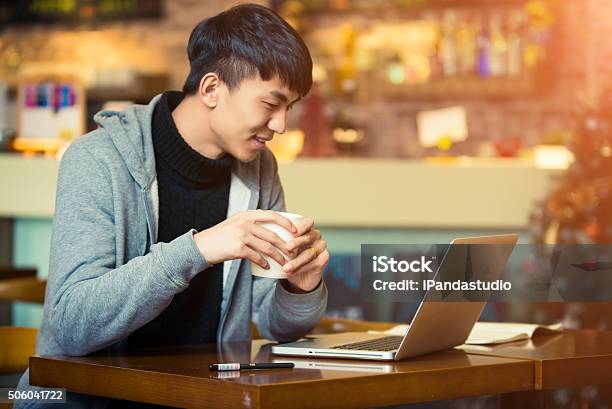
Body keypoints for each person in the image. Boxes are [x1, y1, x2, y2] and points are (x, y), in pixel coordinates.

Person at [16, 4, 328, 407]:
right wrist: (197, 250)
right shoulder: (97, 159)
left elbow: (274, 324)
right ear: (212, 88)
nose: (282, 125)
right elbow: (73, 326)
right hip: (94, 401)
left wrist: (298, 286)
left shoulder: (259, 171)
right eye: (271, 105)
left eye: (291, 107)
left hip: (205, 399)